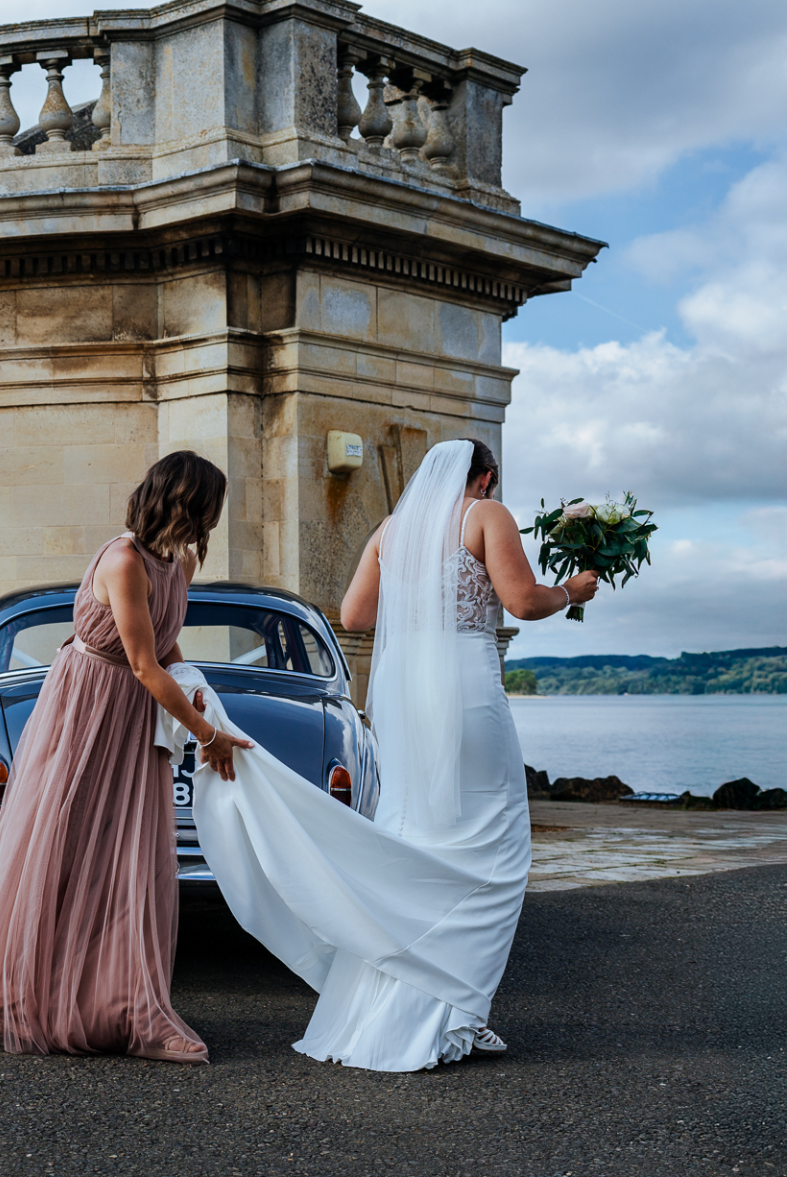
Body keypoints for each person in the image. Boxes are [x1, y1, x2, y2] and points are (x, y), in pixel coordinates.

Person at [188, 438, 597, 1072]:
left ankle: (411, 1011)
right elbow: (522, 602)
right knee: (495, 846)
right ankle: (452, 1005)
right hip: (464, 685)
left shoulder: (391, 529)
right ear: (486, 478)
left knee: (416, 835)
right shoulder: (487, 516)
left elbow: (355, 614)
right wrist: (571, 591)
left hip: (406, 691)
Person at [0, 451, 252, 1060]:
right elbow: (139, 662)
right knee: (64, 843)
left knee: (127, 853)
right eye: (209, 505)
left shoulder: (176, 562)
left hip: (132, 714)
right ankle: (22, 995)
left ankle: (126, 1005)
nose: (214, 518)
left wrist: (205, 703)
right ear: (185, 502)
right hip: (88, 707)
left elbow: (165, 644)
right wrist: (206, 740)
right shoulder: (125, 559)